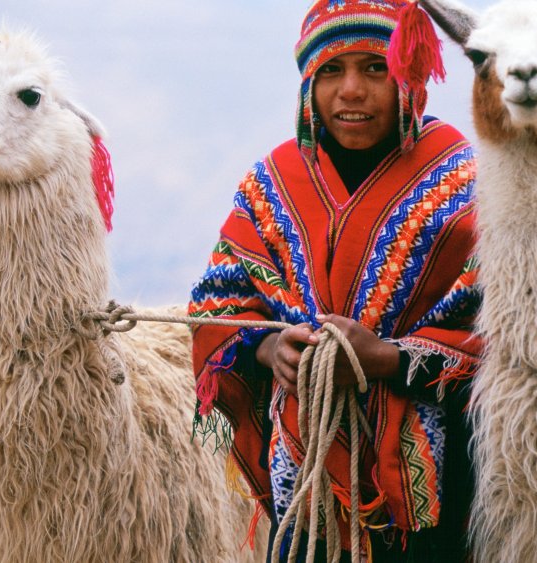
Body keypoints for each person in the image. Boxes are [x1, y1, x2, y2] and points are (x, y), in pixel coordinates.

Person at [188, 0, 480, 560]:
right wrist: (273, 347)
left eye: (376, 67)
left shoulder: (467, 181)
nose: (351, 90)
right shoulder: (271, 184)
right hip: (302, 479)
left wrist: (389, 359)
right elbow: (217, 306)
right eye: (330, 70)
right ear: (307, 83)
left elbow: (503, 331)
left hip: (439, 486)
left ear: (411, 78)